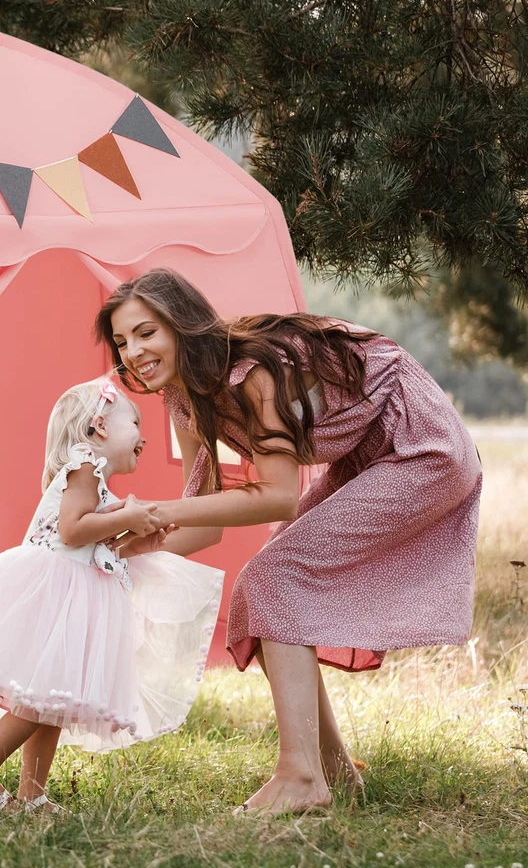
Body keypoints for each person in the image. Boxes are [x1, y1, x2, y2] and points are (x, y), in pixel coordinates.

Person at [94, 268, 482, 816]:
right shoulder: (184, 399)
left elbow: (276, 496)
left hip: (421, 445)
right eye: (121, 341)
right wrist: (119, 554)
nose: (132, 351)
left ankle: (300, 776)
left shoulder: (252, 373)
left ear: (182, 326)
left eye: (145, 333)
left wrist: (152, 512)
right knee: (264, 587)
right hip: (364, 454)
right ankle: (334, 776)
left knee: (274, 576)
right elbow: (205, 525)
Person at [0, 376, 224, 813]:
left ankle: (32, 795)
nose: (144, 435)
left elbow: (96, 547)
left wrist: (135, 538)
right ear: (99, 428)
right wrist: (127, 515)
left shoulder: (97, 484)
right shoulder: (83, 466)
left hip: (73, 596)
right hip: (55, 595)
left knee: (52, 700)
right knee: (38, 698)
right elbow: (72, 531)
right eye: (134, 422)